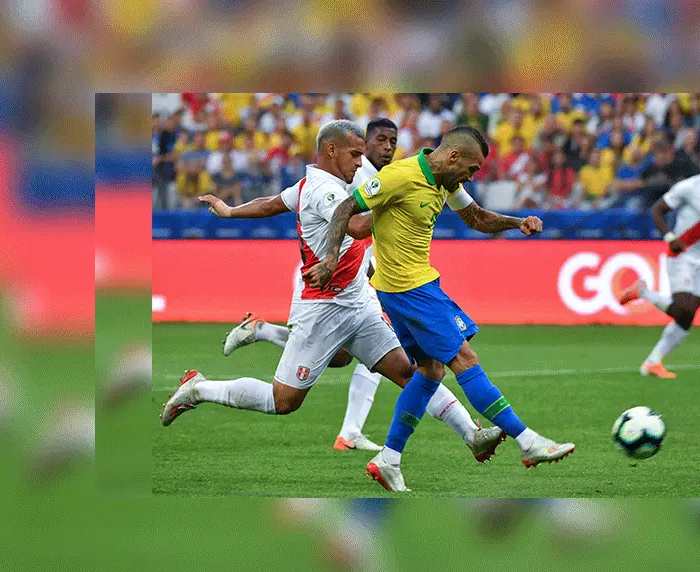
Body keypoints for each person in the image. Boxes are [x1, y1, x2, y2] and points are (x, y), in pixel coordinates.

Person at [160, 121, 506, 473]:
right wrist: (404, 207)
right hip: (323, 309)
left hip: (359, 301)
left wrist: (230, 211)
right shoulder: (323, 190)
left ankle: (471, 434)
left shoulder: (314, 183)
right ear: (331, 151)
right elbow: (356, 226)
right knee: (283, 401)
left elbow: (270, 204)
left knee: (410, 371)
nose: (360, 161)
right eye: (355, 153)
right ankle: (200, 388)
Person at [306, 125, 575, 492]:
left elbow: (476, 217)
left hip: (408, 287)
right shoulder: (400, 176)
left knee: (431, 371)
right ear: (453, 157)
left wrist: (516, 222)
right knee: (464, 358)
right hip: (410, 289)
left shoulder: (444, 181)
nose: (471, 176)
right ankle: (529, 442)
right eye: (472, 168)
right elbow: (345, 208)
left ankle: (389, 458)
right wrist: (330, 258)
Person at [617, 144, 700, 378]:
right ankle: (642, 292)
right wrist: (669, 236)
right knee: (682, 307)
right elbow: (657, 210)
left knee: (687, 316)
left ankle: (653, 363)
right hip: (681, 254)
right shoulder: (688, 187)